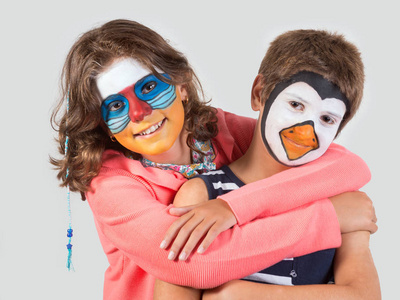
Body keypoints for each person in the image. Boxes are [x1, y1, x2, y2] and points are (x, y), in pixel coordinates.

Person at [51, 19, 376, 300]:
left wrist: (235, 207)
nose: (140, 114)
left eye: (149, 88)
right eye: (116, 107)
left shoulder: (216, 129)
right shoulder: (111, 185)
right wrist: (327, 220)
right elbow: (192, 264)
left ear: (181, 86)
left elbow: (343, 164)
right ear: (100, 122)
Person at [153, 29, 380, 299]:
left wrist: (234, 295)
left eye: (327, 119)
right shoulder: (202, 196)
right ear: (259, 94)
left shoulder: (341, 203)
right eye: (296, 104)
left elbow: (365, 296)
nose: (307, 130)